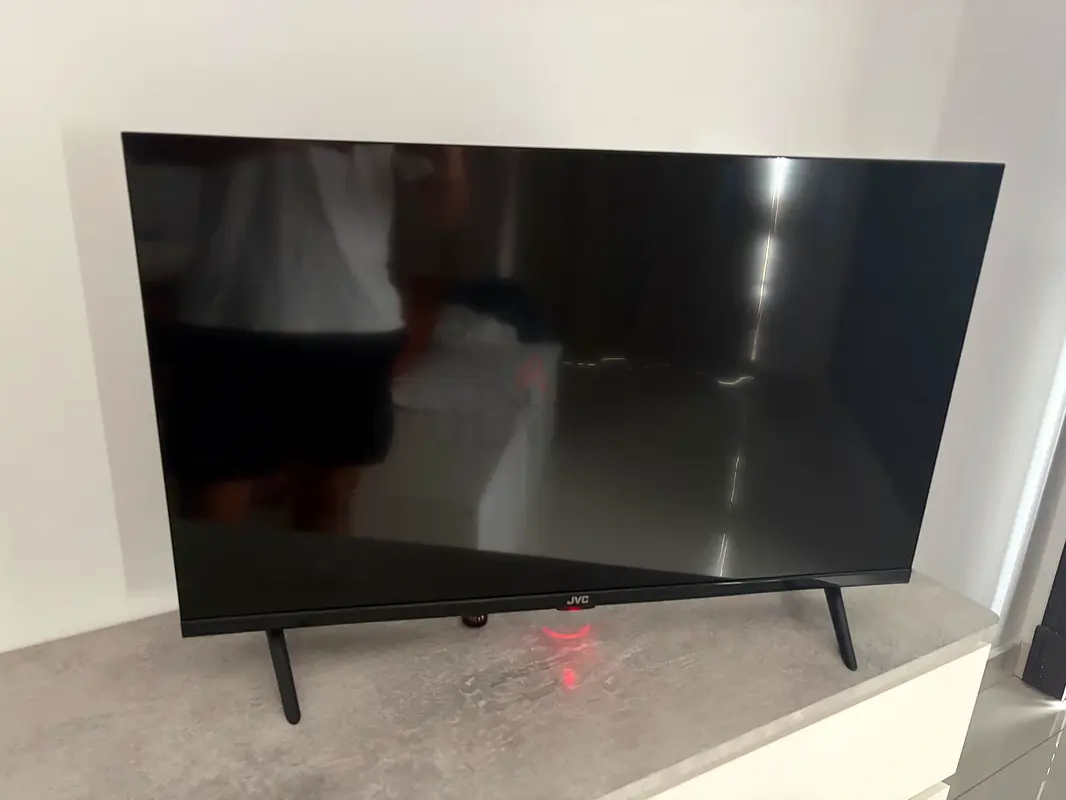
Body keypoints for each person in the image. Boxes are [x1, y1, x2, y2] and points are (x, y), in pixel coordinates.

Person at [147, 136, 468, 534]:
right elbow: (152, 143)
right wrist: (291, 134)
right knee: (208, 515)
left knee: (327, 504)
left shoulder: (390, 100)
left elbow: (446, 214)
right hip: (226, 315)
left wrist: (452, 162)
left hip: (352, 320)